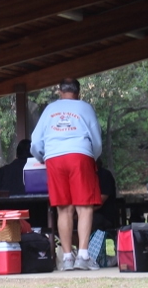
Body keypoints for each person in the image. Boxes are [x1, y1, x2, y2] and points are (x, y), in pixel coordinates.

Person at [30, 78, 104, 271]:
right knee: (84, 207)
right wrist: (92, 157)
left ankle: (67, 258)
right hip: (80, 155)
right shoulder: (85, 108)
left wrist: (44, 157)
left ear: (60, 92)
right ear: (78, 93)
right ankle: (83, 255)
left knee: (64, 209)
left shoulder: (49, 110)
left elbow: (36, 142)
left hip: (54, 157)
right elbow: (96, 141)